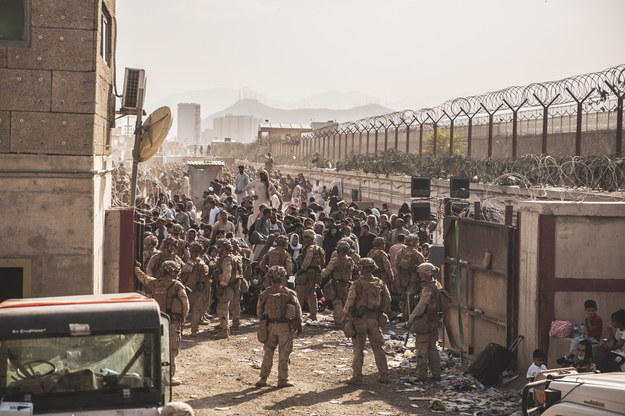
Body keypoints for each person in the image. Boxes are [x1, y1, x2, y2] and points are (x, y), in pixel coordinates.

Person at [134, 260, 189, 383]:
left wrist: (136, 268)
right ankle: (168, 377)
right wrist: (183, 317)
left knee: (158, 347)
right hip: (173, 321)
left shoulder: (155, 283)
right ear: (172, 272)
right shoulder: (177, 285)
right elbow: (185, 303)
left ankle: (157, 375)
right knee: (172, 349)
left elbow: (143, 278)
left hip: (158, 320)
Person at [343, 257, 391, 384]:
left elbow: (350, 302)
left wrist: (344, 316)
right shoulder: (380, 283)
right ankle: (384, 375)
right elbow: (387, 300)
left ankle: (356, 377)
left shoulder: (357, 284)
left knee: (359, 349)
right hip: (374, 320)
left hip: (359, 321)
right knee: (378, 348)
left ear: (361, 269)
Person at [255, 266, 303, 388]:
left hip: (270, 326)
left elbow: (259, 311)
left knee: (268, 352)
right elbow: (298, 310)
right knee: (284, 353)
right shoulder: (289, 293)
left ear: (270, 279)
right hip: (285, 327)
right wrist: (299, 324)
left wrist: (263, 323)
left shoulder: (265, 293)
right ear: (283, 278)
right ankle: (283, 379)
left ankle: (263, 378)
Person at [407, 262, 443, 382]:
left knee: (422, 349)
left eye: (421, 273)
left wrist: (411, 319)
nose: (420, 275)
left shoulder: (427, 289)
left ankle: (421, 375)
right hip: (434, 322)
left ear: (426, 274)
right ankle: (436, 374)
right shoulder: (437, 285)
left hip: (425, 323)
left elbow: (421, 307)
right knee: (432, 349)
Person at [557, 299, 603, 365]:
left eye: (593, 310)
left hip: (595, 338)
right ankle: (570, 358)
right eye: (589, 311)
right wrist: (586, 336)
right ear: (585, 311)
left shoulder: (598, 319)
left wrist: (589, 320)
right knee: (574, 340)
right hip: (588, 337)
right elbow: (586, 329)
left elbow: (591, 329)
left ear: (596, 310)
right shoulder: (587, 319)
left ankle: (568, 357)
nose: (591, 312)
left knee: (577, 342)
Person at [179, 242, 210, 336]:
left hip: (197, 290)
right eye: (193, 251)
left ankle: (194, 330)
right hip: (187, 289)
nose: (195, 253)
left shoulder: (201, 263)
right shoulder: (187, 262)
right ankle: (180, 329)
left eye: (196, 252)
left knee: (196, 310)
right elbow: (182, 274)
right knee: (184, 310)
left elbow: (205, 276)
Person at [321, 240, 355, 326]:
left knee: (337, 304)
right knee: (347, 304)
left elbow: (326, 272)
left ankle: (339, 321)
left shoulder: (335, 261)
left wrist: (321, 275)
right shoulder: (350, 260)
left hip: (336, 285)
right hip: (347, 285)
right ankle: (347, 320)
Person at [295, 229, 325, 321]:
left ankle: (298, 315)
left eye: (306, 237)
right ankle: (313, 314)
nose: (305, 238)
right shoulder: (317, 248)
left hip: (307, 273)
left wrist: (302, 269)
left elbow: (308, 259)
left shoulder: (310, 248)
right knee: (312, 294)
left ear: (311, 238)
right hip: (314, 273)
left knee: (300, 293)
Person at [214, 239, 237, 339]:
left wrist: (222, 287)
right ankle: (222, 326)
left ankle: (224, 330)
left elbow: (227, 274)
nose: (218, 249)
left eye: (220, 247)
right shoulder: (230, 257)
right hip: (228, 286)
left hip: (226, 286)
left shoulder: (227, 259)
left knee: (223, 308)